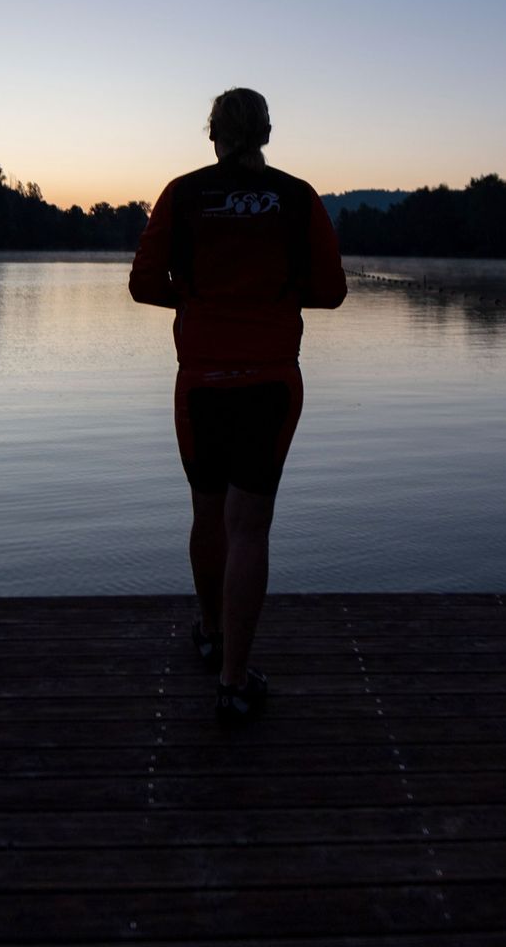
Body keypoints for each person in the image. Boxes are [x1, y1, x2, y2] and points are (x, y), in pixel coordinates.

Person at [129, 88, 346, 724]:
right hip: (271, 381)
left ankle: (209, 630)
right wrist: (268, 303)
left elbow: (144, 285)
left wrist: (199, 304)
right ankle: (233, 681)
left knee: (206, 515)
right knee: (249, 525)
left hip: (201, 382)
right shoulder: (297, 196)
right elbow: (331, 292)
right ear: (268, 133)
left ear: (213, 133)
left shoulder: (184, 193)